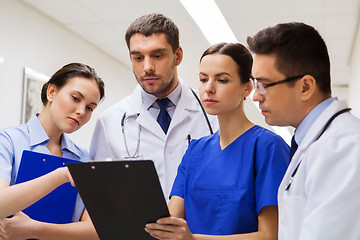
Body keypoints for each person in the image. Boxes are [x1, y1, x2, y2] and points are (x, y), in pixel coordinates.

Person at [145, 42, 289, 239]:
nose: (209, 89)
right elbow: (171, 221)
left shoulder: (267, 147)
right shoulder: (195, 151)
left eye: (222, 80)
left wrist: (193, 239)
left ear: (247, 88)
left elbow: (270, 235)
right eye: (203, 79)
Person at [247, 22, 360, 240]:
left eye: (263, 85)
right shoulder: (314, 144)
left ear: (305, 87)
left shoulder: (344, 147)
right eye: (254, 84)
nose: (255, 96)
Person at [90, 13, 218, 200]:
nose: (148, 67)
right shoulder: (110, 122)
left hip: (198, 229)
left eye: (157, 55)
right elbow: (98, 195)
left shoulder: (213, 115)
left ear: (178, 56)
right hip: (135, 230)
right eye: (138, 58)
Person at [0, 63, 104, 239]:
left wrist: (33, 228)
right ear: (51, 92)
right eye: (76, 98)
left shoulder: (82, 158)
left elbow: (95, 229)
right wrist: (60, 176)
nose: (81, 112)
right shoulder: (8, 141)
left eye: (89, 108)